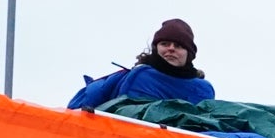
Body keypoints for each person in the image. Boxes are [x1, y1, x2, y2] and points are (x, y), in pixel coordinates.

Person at [68, 19, 215, 112]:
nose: (171, 48)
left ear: (188, 54)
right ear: (156, 48)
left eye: (178, 45)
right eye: (164, 43)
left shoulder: (203, 89)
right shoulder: (138, 76)